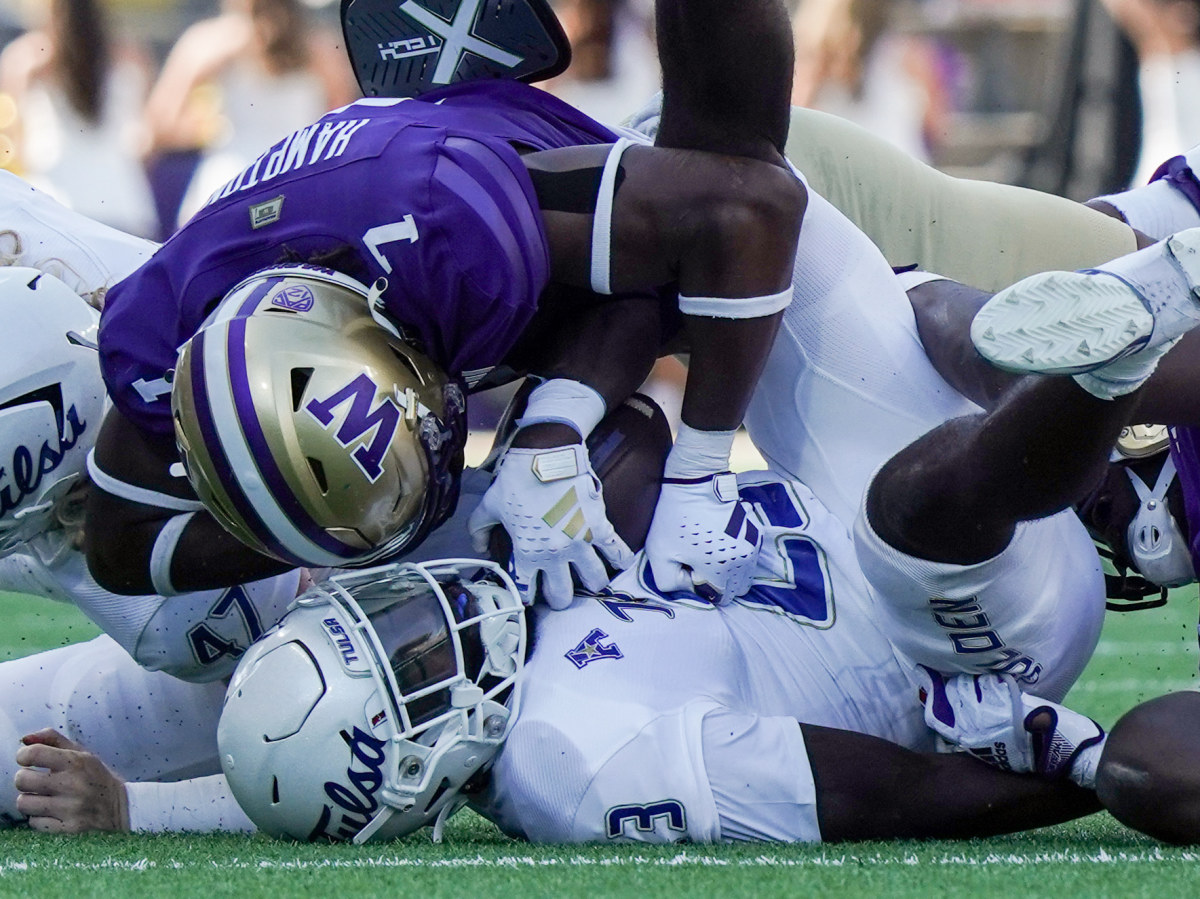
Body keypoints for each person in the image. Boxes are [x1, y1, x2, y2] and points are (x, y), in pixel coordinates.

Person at [88, 0, 806, 614]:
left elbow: (755, 212)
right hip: (428, 207)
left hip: (692, 177)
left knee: (756, 294)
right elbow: (115, 546)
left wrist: (672, 464)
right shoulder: (158, 338)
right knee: (515, 540)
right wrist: (326, 532)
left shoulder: (446, 234)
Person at [143, 0, 358, 228]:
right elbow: (341, 129)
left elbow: (159, 127)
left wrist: (211, 127)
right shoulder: (321, 46)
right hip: (300, 188)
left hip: (229, 189)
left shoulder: (209, 41)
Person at [0, 0, 157, 236]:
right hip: (128, 211)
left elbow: (14, 149)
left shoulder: (26, 60)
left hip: (53, 214)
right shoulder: (132, 56)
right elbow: (147, 141)